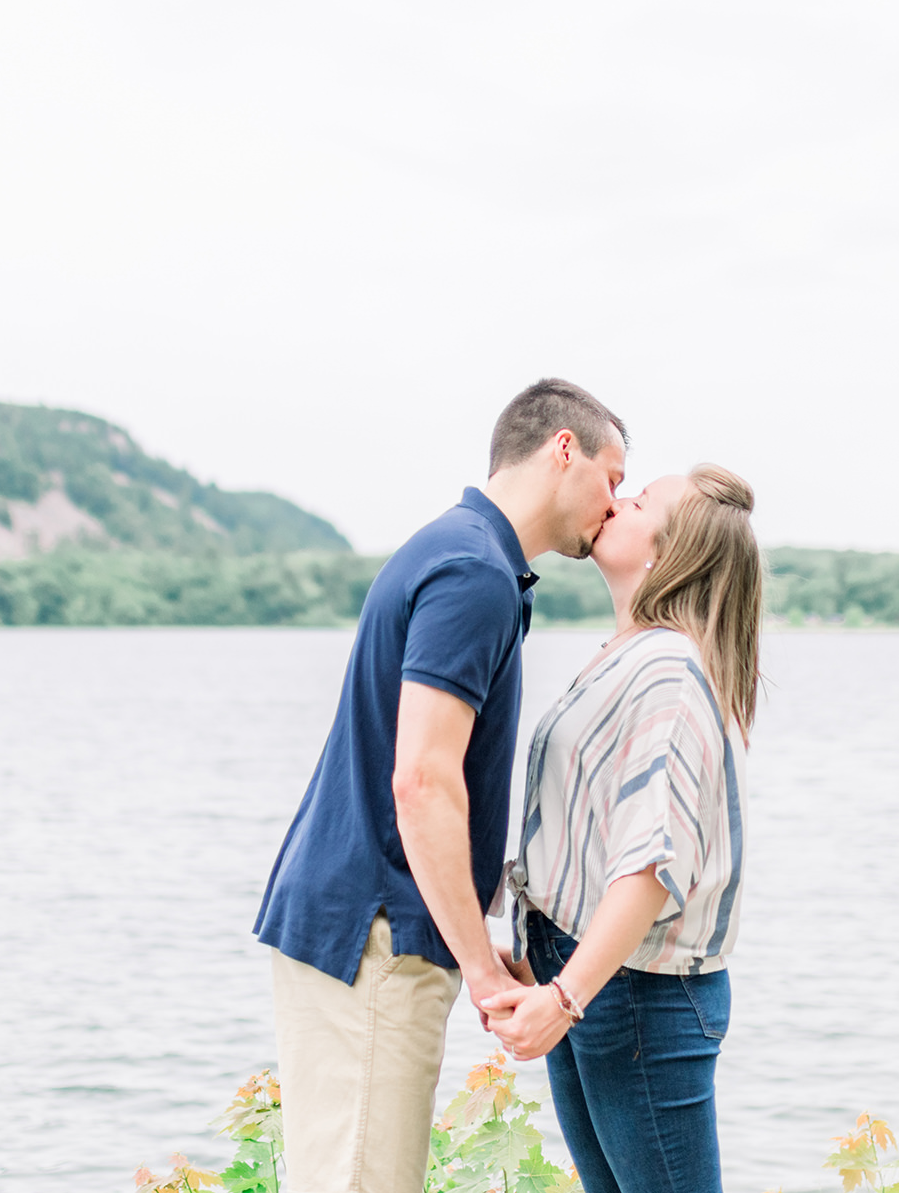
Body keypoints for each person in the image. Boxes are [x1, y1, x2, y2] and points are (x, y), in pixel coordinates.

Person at [252, 378, 627, 1193]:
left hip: (366, 920)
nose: (614, 503)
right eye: (614, 476)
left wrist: (467, 935)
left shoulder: (459, 550)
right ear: (564, 448)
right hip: (373, 933)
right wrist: (484, 975)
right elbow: (421, 781)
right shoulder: (473, 573)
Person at [481, 464, 762, 1193]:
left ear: (667, 555)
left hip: (636, 994)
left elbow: (650, 866)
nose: (618, 500)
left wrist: (565, 996)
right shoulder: (630, 656)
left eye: (640, 502)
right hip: (597, 979)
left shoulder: (667, 670)